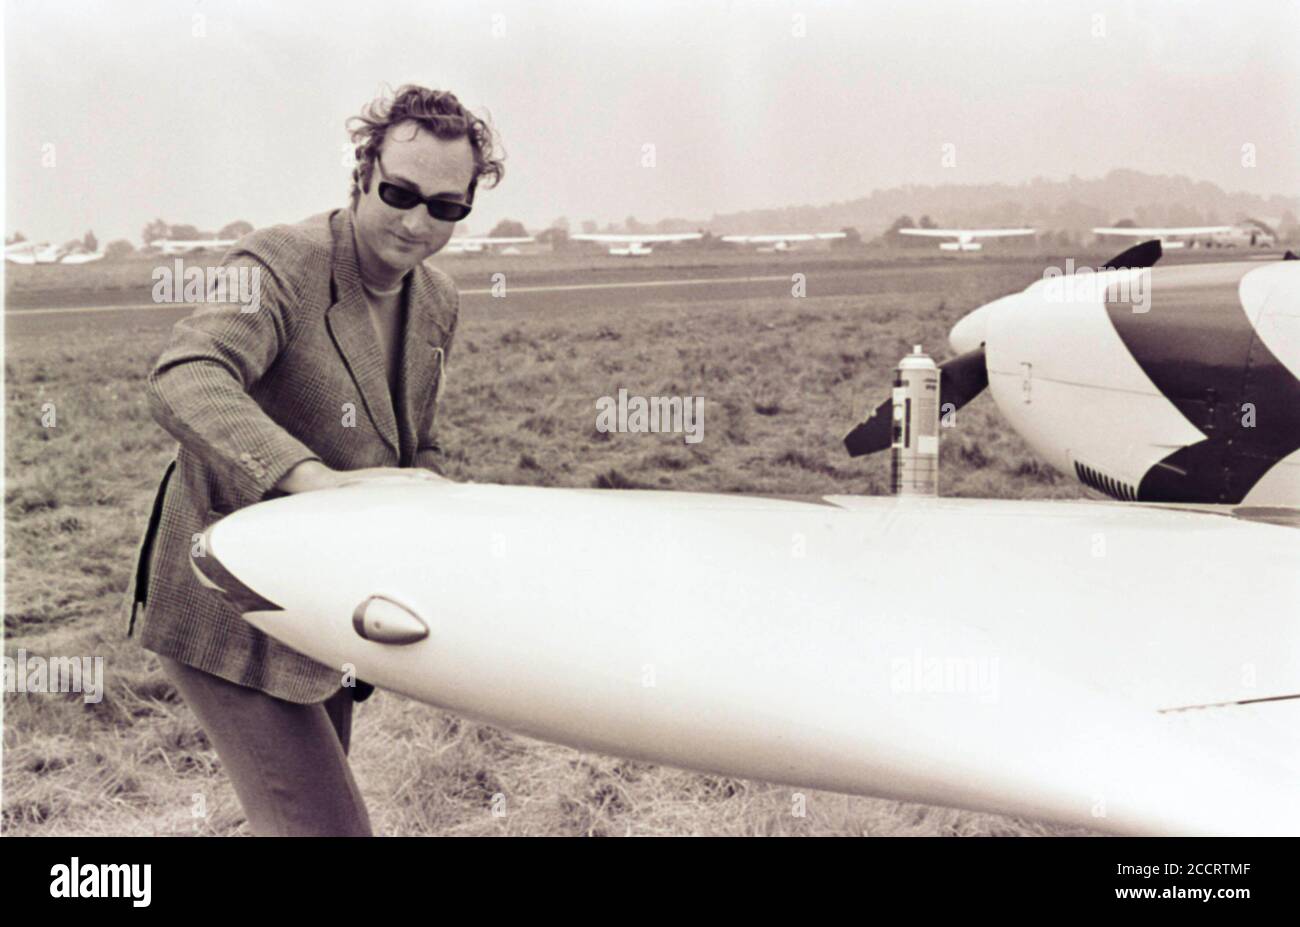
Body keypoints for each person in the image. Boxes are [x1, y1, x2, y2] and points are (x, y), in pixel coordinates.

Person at [122, 84, 504, 836]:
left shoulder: (439, 298)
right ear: (362, 172)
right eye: (398, 193)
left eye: (444, 207)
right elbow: (185, 375)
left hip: (327, 605)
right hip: (228, 598)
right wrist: (312, 481)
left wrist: (446, 505)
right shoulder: (280, 261)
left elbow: (413, 441)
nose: (416, 221)